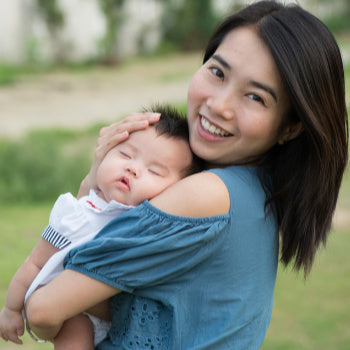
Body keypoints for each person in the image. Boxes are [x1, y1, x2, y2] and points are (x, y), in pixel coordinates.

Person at [23, 1, 348, 349]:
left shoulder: (206, 197)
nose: (219, 105)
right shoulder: (256, 192)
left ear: (290, 127)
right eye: (218, 73)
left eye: (255, 97)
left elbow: (42, 309)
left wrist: (91, 187)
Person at [0, 104, 203, 349]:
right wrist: (11, 309)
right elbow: (35, 262)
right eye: (125, 155)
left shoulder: (156, 228)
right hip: (73, 313)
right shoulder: (76, 212)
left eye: (154, 171)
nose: (133, 168)